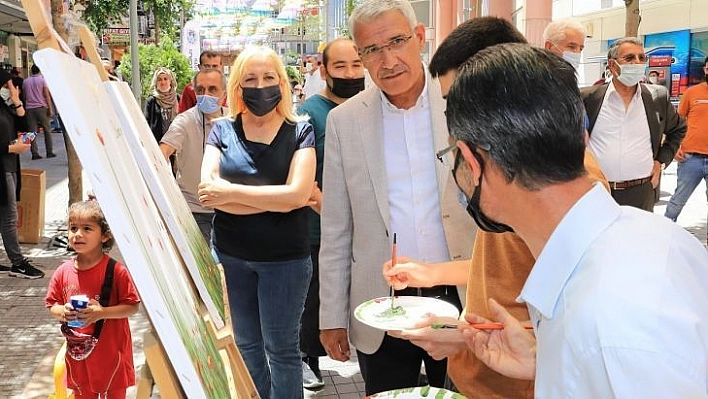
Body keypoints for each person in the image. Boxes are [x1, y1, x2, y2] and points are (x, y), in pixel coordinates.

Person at [444, 42, 708, 397]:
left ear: (471, 163)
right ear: (582, 136)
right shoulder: (658, 236)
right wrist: (549, 362)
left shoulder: (607, 323)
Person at [384, 17, 606, 399]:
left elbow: (581, 326)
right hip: (476, 375)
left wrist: (465, 339)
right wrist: (431, 273)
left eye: (459, 101)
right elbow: (510, 266)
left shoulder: (567, 185)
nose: (452, 122)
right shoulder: (502, 175)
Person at [318, 0, 475, 394]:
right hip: (382, 303)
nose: (387, 60)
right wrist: (331, 315)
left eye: (396, 42)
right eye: (371, 50)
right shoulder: (345, 121)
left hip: (462, 294)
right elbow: (337, 226)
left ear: (419, 38)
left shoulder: (463, 101)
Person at [198, 45, 315, 399]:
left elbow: (298, 196)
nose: (260, 85)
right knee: (247, 345)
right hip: (231, 257)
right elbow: (207, 192)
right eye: (250, 78)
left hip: (285, 262)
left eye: (268, 77)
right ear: (237, 86)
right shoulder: (221, 131)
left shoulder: (300, 132)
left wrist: (231, 194)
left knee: (282, 351)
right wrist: (275, 201)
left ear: (282, 83)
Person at [296, 38, 365, 391]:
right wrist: (330, 210)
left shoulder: (371, 106)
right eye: (340, 66)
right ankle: (307, 359)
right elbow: (303, 176)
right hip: (318, 228)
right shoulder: (310, 113)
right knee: (315, 297)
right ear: (323, 70)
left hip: (367, 227)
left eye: (357, 64)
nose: (351, 73)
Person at [45, 199, 141, 398]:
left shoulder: (116, 271)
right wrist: (62, 311)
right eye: (73, 228)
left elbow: (132, 306)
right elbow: (51, 304)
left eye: (87, 228)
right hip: (79, 358)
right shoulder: (63, 271)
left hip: (112, 354)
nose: (77, 234)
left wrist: (102, 312)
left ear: (105, 235)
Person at [582, 37, 686, 211]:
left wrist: (661, 162)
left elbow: (678, 129)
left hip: (641, 193)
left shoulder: (657, 98)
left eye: (641, 58)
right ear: (613, 65)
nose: (637, 63)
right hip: (596, 192)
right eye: (629, 58)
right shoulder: (588, 99)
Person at [160, 68, 227, 243]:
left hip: (230, 210)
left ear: (224, 94)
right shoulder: (184, 121)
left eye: (212, 89)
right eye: (200, 90)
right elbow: (161, 154)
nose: (206, 95)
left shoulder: (234, 119)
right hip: (194, 210)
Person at [0, 70, 44, 279]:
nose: (10, 89)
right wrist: (10, 149)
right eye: (7, 85)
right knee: (9, 217)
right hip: (3, 168)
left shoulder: (5, 108)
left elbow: (28, 129)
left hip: (10, 167)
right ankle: (18, 263)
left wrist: (17, 101)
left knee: (7, 215)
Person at [665, 56, 708, 222]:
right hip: (690, 158)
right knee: (677, 202)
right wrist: (675, 147)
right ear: (705, 69)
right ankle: (665, 233)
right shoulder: (692, 92)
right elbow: (677, 122)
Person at [22, 64, 55, 159]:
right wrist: (50, 108)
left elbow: (24, 96)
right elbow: (47, 95)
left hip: (29, 109)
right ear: (40, 70)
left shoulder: (25, 81)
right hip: (41, 108)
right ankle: (49, 152)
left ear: (31, 71)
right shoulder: (42, 80)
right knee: (47, 130)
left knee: (31, 132)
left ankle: (34, 153)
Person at [144, 67, 180, 144]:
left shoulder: (178, 99)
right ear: (156, 82)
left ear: (170, 81)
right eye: (159, 79)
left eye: (165, 79)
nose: (163, 82)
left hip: (177, 144)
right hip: (158, 145)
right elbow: (146, 124)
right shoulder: (152, 101)